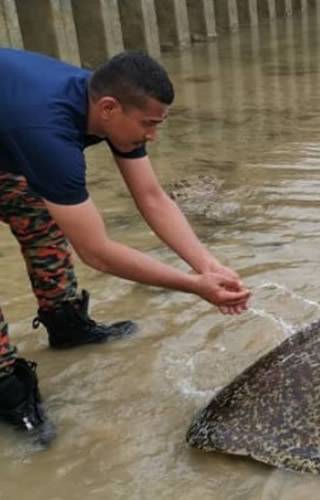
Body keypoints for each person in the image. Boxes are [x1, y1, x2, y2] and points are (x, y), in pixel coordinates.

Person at [0, 48, 251, 442]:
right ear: (109, 109)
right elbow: (96, 252)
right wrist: (193, 287)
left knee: (40, 209)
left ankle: (65, 323)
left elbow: (151, 196)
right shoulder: (48, 135)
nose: (151, 136)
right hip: (20, 126)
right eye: (148, 125)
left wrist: (207, 265)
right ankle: (6, 391)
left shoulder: (109, 103)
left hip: (10, 128)